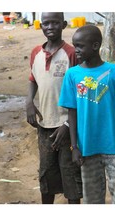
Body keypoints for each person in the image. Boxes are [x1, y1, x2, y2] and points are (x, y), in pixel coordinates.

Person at [25, 12, 82, 204]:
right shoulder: (35, 53)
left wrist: (67, 124)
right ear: (40, 26)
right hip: (45, 126)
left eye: (55, 23)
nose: (50, 27)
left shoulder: (72, 53)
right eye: (46, 23)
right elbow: (33, 80)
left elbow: (81, 92)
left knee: (70, 175)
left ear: (64, 24)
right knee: (46, 174)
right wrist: (29, 103)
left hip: (68, 127)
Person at [58, 25, 115, 204]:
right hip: (87, 148)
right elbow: (72, 113)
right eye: (75, 46)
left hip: (113, 147)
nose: (76, 51)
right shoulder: (72, 75)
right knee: (92, 200)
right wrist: (74, 147)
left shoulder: (112, 72)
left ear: (95, 45)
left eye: (80, 46)